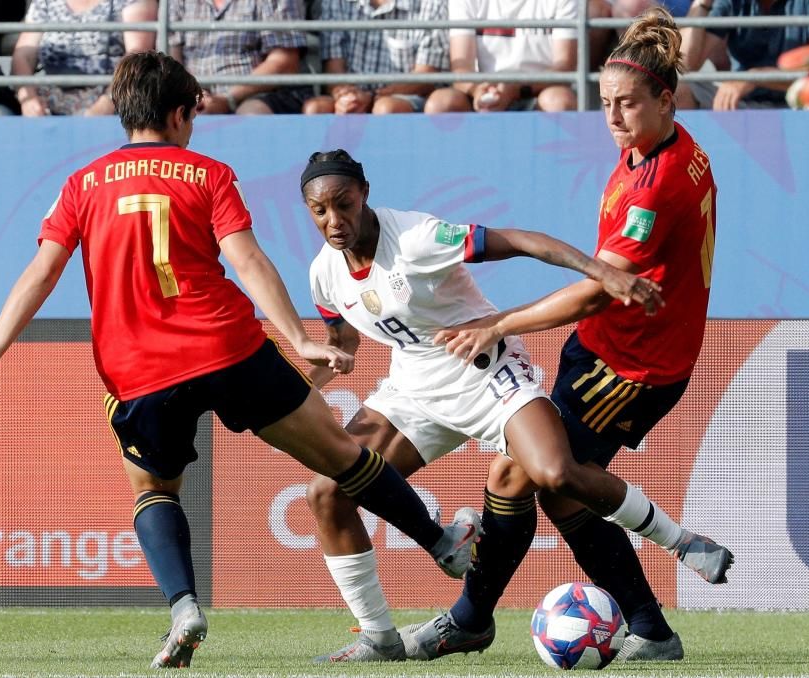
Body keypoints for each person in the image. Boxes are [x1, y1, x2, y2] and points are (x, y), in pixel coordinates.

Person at [0, 51, 481, 670]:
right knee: (341, 456)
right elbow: (245, 259)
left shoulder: (80, 185)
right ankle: (443, 542)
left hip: (136, 369)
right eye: (193, 112)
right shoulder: (207, 173)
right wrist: (295, 336)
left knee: (153, 490)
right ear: (177, 112)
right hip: (227, 347)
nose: (195, 124)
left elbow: (43, 270)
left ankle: (184, 606)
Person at [300, 146, 729, 663]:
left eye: (343, 204)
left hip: (486, 373)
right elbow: (341, 342)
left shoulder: (416, 238)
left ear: (364, 194)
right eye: (319, 211)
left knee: (555, 473)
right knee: (326, 492)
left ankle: (682, 542)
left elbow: (523, 241)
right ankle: (380, 637)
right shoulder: (324, 272)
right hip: (412, 390)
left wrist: (602, 271)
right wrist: (317, 372)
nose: (334, 220)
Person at [403, 6, 731, 662]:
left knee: (520, 476)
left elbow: (592, 289)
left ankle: (472, 617)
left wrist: (495, 322)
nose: (613, 117)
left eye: (628, 104)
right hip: (610, 349)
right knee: (549, 484)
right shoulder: (656, 146)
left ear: (666, 101)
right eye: (605, 102)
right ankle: (648, 626)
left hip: (633, 365)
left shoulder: (656, 185)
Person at [677, 0, 809, 110]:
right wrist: (702, 4)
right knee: (678, 89)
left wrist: (755, 77)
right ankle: (688, 163)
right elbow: (684, 66)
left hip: (800, 103)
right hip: (741, 104)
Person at [423, 0, 580, 113]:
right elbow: (461, 70)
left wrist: (516, 89)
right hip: (485, 91)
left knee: (559, 101)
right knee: (440, 104)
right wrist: (478, 90)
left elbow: (564, 67)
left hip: (538, 91)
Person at [301, 0, 449, 115]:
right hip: (355, 94)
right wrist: (346, 96)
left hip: (408, 97)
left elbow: (425, 77)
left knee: (386, 109)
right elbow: (334, 71)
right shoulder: (336, 2)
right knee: (315, 108)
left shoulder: (433, 3)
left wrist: (371, 97)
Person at [11, 0, 157, 116]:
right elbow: (23, 55)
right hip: (50, 102)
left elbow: (137, 54)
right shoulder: (45, 2)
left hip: (112, 100)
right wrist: (28, 99)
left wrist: (108, 102)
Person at [169, 0, 313, 115]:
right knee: (169, 112)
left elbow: (284, 62)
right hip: (195, 95)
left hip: (264, 94)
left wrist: (228, 99)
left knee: (252, 114)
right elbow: (173, 57)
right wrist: (194, 94)